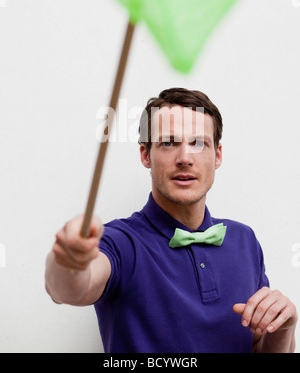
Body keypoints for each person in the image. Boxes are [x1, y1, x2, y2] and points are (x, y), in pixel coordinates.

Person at [45, 87, 297, 353]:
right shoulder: (120, 242)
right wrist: (68, 261)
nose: (185, 159)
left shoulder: (244, 240)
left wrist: (283, 328)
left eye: (198, 143)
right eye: (168, 143)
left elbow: (257, 347)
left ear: (218, 155)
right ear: (146, 155)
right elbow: (69, 288)